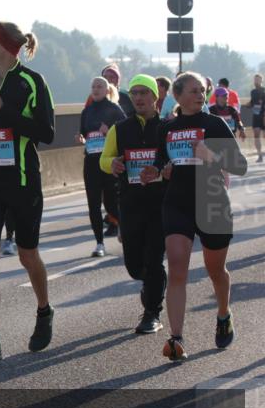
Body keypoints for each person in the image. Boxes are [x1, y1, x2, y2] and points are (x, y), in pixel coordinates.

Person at [139, 72, 248, 360]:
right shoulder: (168, 128)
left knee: (216, 271)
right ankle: (176, 338)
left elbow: (240, 165)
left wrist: (211, 156)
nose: (200, 95)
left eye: (203, 90)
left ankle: (223, 313)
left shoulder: (215, 124)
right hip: (177, 203)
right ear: (178, 96)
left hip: (212, 203)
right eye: (194, 90)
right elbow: (162, 161)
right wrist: (155, 171)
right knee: (177, 266)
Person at [0, 21, 55, 361]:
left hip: (22, 181)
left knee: (27, 254)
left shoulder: (32, 82)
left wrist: (5, 112)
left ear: (4, 46)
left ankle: (44, 310)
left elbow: (46, 132)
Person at [100, 75, 167, 334]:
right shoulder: (120, 128)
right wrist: (112, 164)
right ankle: (150, 284)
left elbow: (175, 162)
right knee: (134, 264)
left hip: (160, 203)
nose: (138, 97)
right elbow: (104, 159)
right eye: (134, 92)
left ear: (154, 97)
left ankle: (152, 312)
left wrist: (163, 170)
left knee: (153, 259)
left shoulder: (166, 127)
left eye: (143, 92)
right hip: (130, 202)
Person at [78, 77, 126, 256]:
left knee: (111, 204)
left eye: (100, 86)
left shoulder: (114, 109)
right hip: (91, 162)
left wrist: (110, 131)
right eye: (93, 86)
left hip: (108, 162)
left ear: (107, 90)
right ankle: (99, 244)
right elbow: (84, 132)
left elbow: (126, 130)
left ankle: (123, 226)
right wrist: (81, 138)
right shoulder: (87, 111)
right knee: (93, 205)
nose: (96, 89)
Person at [247, 73, 264, 162]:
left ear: (261, 80)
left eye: (258, 80)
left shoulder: (264, 90)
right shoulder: (253, 92)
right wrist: (248, 105)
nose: (256, 81)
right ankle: (260, 155)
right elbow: (252, 102)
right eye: (255, 80)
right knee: (256, 135)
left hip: (264, 115)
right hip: (256, 115)